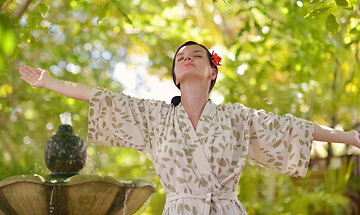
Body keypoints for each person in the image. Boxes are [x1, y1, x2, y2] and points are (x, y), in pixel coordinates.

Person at [19, 41, 360, 214]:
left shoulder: (237, 118)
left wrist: (350, 138)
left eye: (196, 54)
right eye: (181, 56)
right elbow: (101, 97)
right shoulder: (154, 118)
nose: (187, 57)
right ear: (175, 76)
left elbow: (291, 129)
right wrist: (50, 82)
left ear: (212, 71)